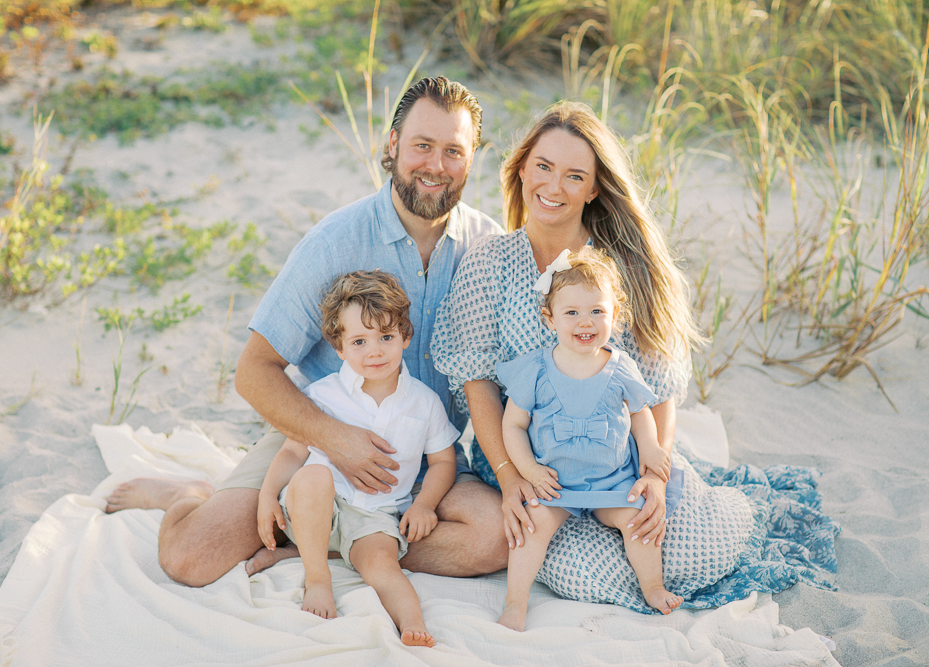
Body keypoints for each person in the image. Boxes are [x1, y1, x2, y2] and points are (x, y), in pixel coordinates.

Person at [105, 76, 507, 587]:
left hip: (427, 456)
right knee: (191, 558)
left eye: (454, 150)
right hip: (320, 444)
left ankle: (323, 548)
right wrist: (337, 440)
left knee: (492, 538)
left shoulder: (488, 248)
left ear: (473, 157)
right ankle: (186, 493)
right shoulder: (335, 242)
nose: (436, 165)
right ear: (392, 145)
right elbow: (254, 371)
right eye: (422, 146)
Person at [432, 101, 756, 613]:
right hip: (536, 470)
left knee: (695, 553)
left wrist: (655, 476)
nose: (553, 187)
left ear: (594, 188)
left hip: (620, 465)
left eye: (574, 175)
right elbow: (478, 387)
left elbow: (657, 387)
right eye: (543, 167)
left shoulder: (622, 266)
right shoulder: (490, 262)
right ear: (521, 169)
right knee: (587, 572)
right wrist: (511, 476)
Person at [257, 271, 456, 647]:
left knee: (384, 567)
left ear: (405, 337)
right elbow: (292, 451)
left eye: (386, 337)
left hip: (376, 515)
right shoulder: (324, 395)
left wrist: (425, 505)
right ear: (340, 348)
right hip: (316, 509)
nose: (375, 351)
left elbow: (444, 461)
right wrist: (268, 495)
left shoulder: (424, 402)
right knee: (315, 476)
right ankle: (318, 580)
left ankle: (413, 623)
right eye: (359, 341)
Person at [494, 247, 685, 631]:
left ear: (615, 314)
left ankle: (653, 586)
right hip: (554, 484)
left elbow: (639, 412)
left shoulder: (620, 366)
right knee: (531, 528)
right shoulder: (536, 368)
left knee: (638, 520)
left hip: (611, 480)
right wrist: (529, 470)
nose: (586, 321)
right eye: (572, 312)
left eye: (597, 311)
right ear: (549, 319)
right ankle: (516, 603)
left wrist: (650, 447)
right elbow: (512, 425)